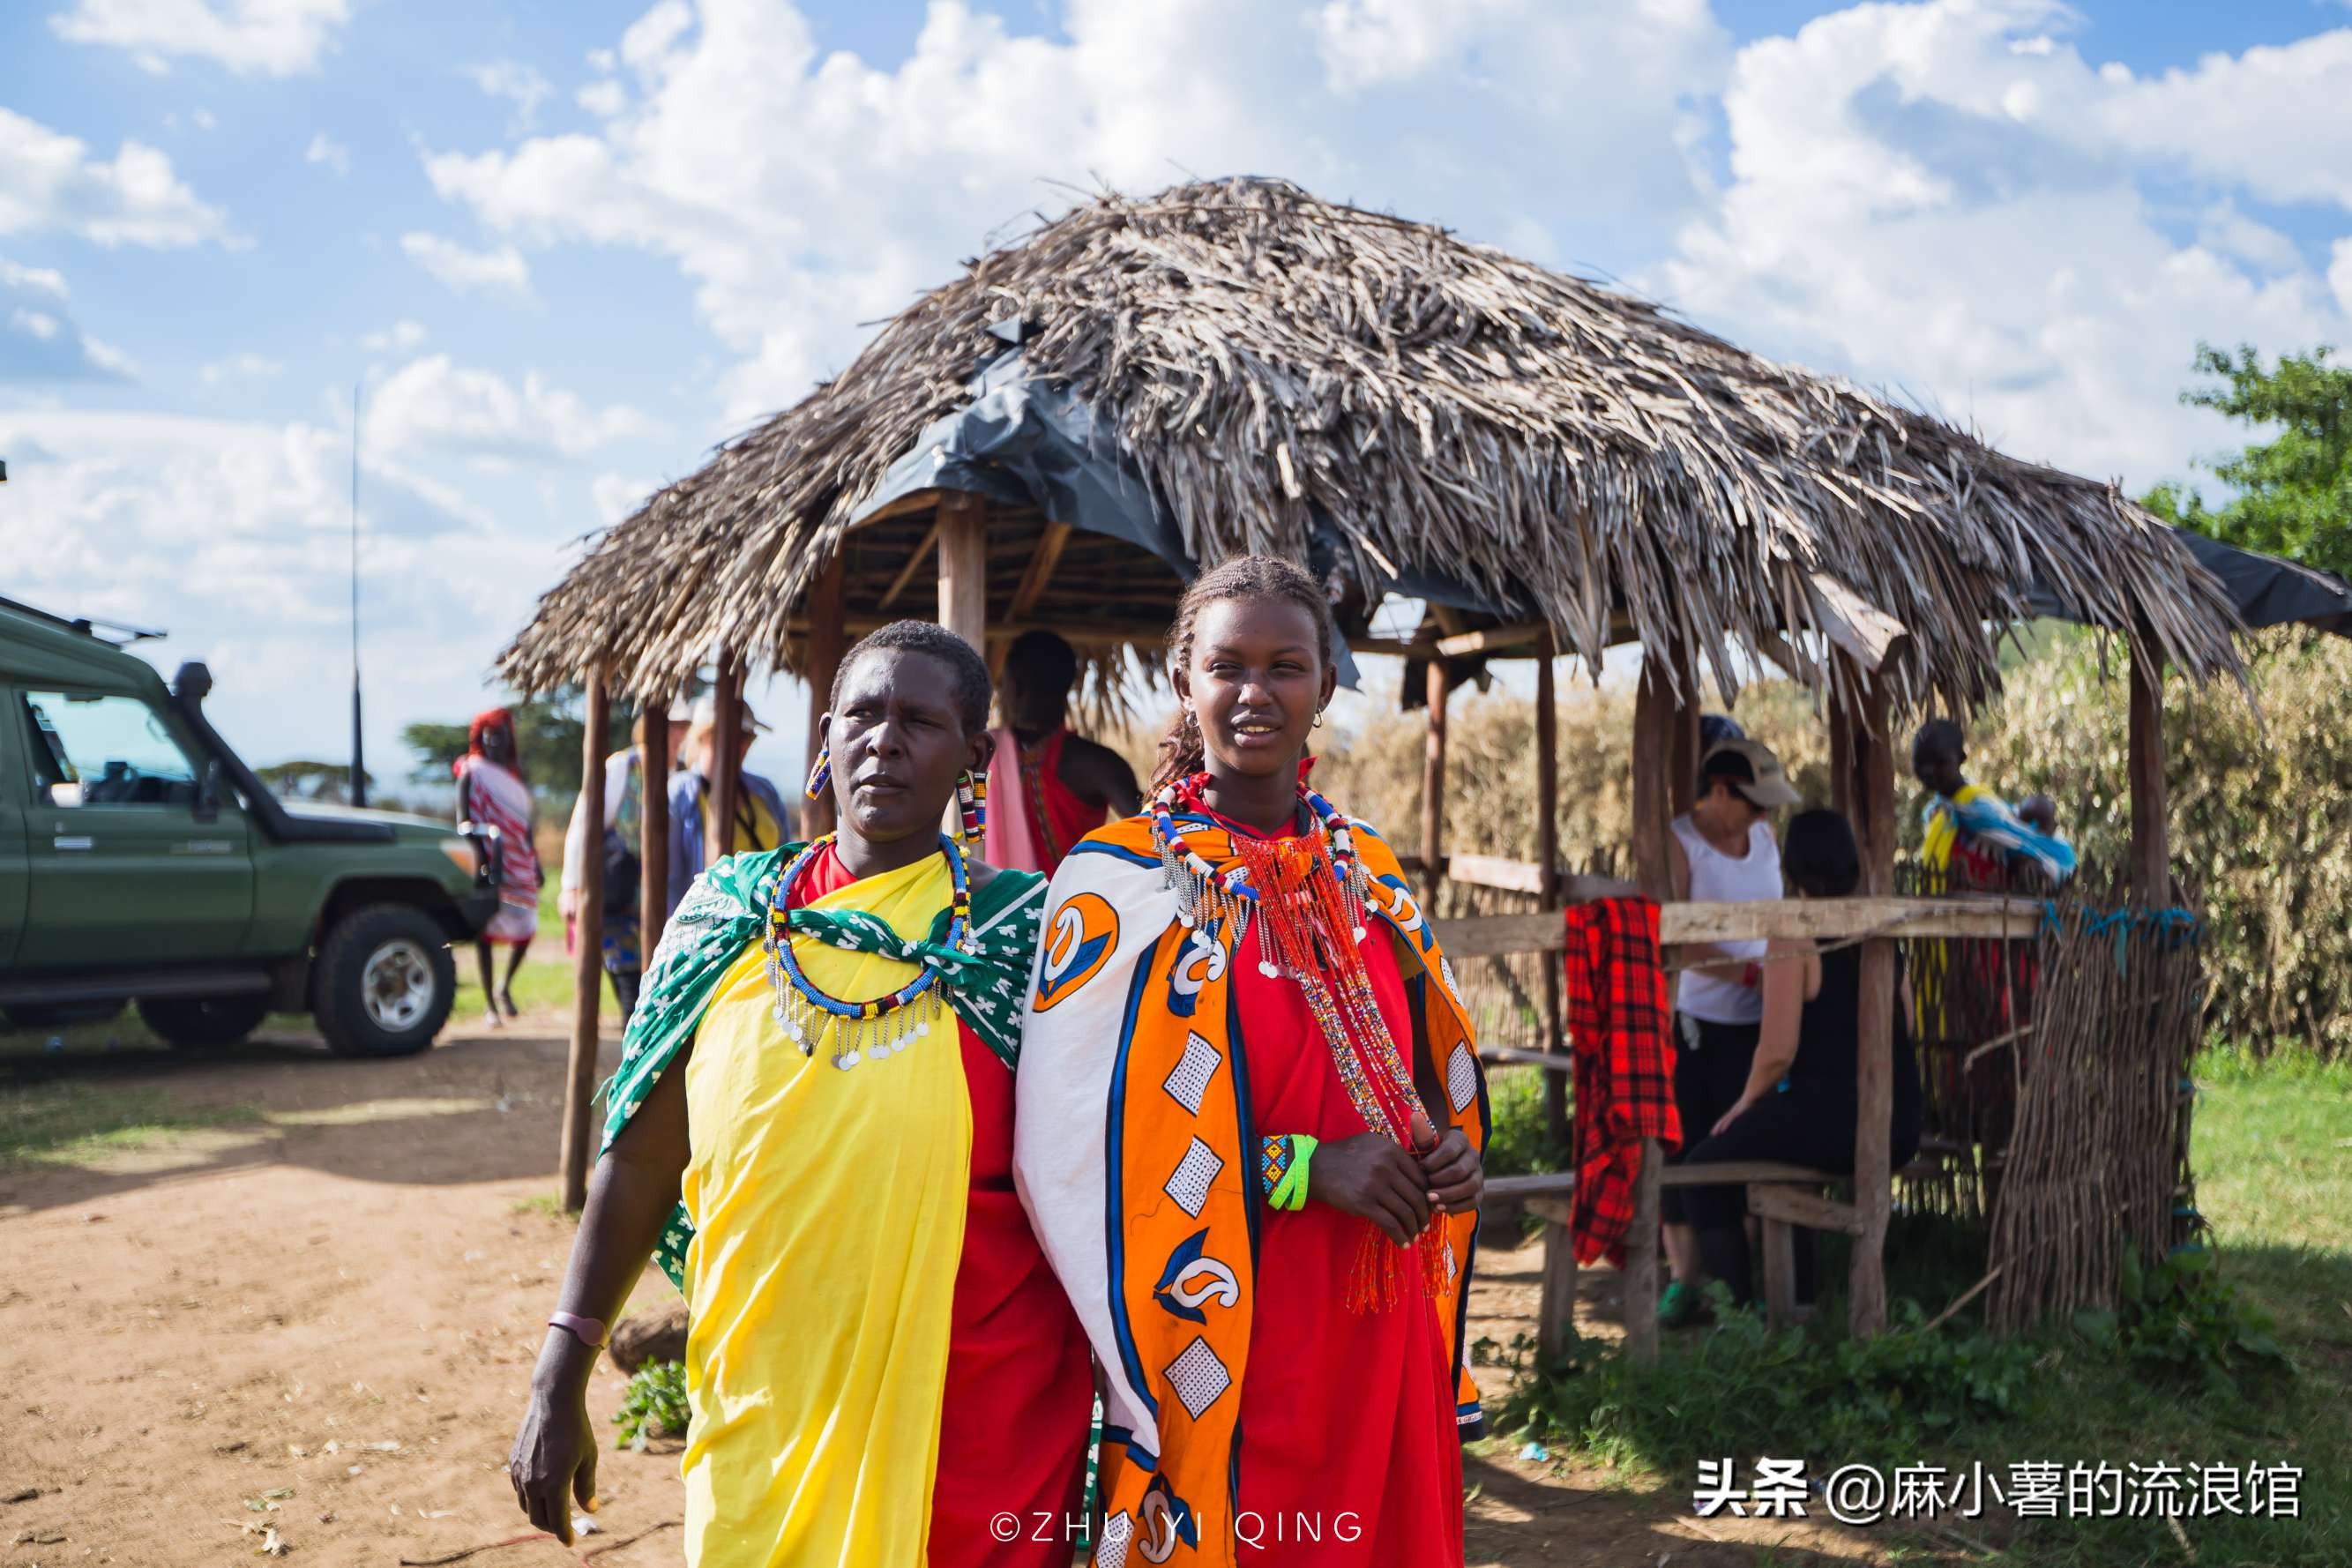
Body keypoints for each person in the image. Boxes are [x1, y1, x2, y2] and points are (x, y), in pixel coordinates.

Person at [509, 622, 1092, 1566]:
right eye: (861, 715)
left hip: (973, 1419)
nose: (884, 740)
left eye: (919, 721)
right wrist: (559, 1369)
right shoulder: (729, 921)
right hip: (762, 1400)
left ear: (973, 756)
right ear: (826, 736)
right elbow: (644, 1160)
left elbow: (1100, 1174)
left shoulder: (1028, 941)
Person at [1015, 555, 1489, 1568]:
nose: (1255, 692)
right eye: (1228, 666)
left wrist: (1447, 1150)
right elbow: (1074, 1154)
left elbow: (1421, 1066)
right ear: (1184, 679)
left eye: (1286, 665)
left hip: (1380, 1311)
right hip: (1223, 1323)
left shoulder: (1369, 869)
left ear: (1327, 683)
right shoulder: (1122, 885)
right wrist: (1304, 1167)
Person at [1671, 809, 1924, 1308]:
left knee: (1701, 1170)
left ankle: (1740, 1316)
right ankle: (1799, 1303)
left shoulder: (1794, 931)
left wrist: (1743, 1105)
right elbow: (1910, 1024)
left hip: (1836, 1120)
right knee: (1777, 1162)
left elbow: (1777, 1052)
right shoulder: (1879, 926)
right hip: (1901, 1121)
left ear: (1791, 868)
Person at [1657, 735, 1800, 1328]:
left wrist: (1776, 981)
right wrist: (1746, 974)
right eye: (1754, 802)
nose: (1763, 815)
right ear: (1719, 791)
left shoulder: (1763, 839)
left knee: (1740, 1144)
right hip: (1698, 1019)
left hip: (1759, 1023)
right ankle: (1684, 1280)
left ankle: (1738, 1285)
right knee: (1688, 1145)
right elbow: (1673, 935)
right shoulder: (1679, 843)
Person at [559, 701, 689, 1025]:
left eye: (683, 726)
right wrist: (571, 886)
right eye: (672, 725)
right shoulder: (622, 767)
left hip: (665, 904)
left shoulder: (683, 776)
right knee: (630, 989)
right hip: (618, 899)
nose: (677, 734)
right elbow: (583, 826)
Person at [983, 629, 1142, 874]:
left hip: (998, 898)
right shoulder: (1098, 763)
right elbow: (1156, 831)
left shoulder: (981, 752)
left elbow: (1151, 829)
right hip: (1079, 898)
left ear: (1014, 685)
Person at [453, 707, 541, 1027]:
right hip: (488, 862)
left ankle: (504, 987)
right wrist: (483, 855)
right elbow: (464, 822)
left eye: (499, 737)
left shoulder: (513, 774)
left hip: (519, 862)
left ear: (508, 740)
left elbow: (524, 824)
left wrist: (535, 861)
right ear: (480, 738)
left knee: (527, 927)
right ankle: (490, 1004)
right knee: (486, 931)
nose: (494, 744)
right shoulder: (471, 772)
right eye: (488, 737)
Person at [1913, 720, 2075, 890]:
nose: (1928, 771)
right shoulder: (1937, 811)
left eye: (1939, 762)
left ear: (1961, 759)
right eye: (1919, 762)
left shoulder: (1981, 809)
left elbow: (2022, 844)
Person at [668, 694, 793, 912]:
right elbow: (671, 876)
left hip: (766, 918)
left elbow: (788, 859)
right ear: (704, 736)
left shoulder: (765, 791)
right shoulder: (680, 793)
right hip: (704, 920)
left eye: (748, 737)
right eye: (736, 735)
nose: (743, 745)